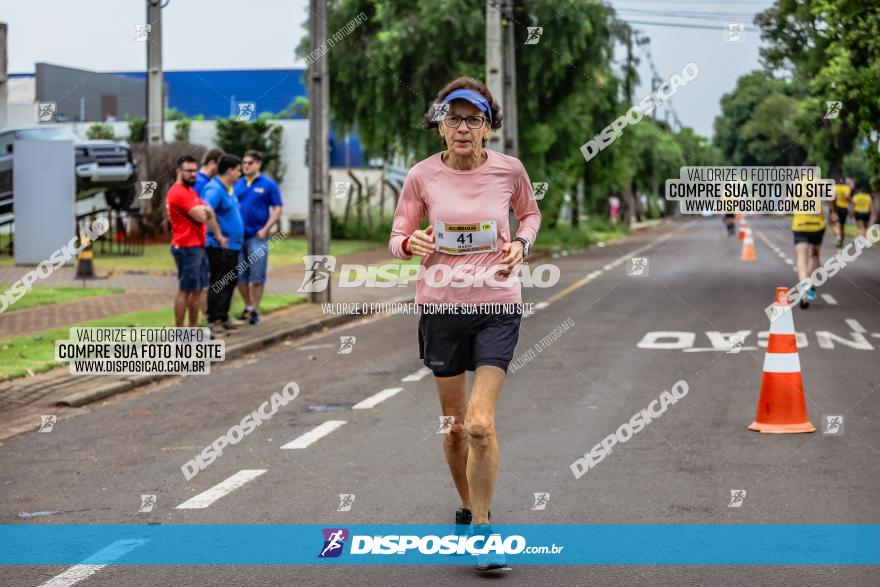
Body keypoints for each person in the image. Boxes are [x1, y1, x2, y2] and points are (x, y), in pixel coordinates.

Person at [389, 77, 541, 573]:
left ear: (488, 128)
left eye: (473, 119)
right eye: (452, 118)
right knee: (454, 428)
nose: (462, 128)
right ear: (438, 127)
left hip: (498, 305)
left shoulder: (509, 171)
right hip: (440, 308)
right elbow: (398, 234)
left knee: (479, 422)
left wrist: (522, 244)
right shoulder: (421, 177)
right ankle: (469, 508)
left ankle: (482, 529)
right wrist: (411, 245)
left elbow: (531, 214)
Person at [165, 155, 223, 327]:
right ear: (178, 171)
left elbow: (208, 211)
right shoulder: (178, 192)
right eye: (188, 171)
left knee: (198, 290)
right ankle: (180, 331)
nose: (193, 175)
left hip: (197, 246)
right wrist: (205, 211)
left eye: (195, 171)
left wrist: (206, 211)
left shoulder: (190, 191)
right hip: (186, 247)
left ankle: (192, 329)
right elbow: (202, 215)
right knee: (186, 289)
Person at [235, 150, 283, 325]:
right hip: (238, 238)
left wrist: (266, 228)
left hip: (258, 236)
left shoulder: (268, 184)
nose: (245, 166)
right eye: (244, 163)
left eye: (249, 163)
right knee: (240, 276)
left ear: (258, 164)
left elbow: (278, 208)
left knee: (257, 275)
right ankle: (248, 307)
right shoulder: (237, 183)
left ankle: (255, 309)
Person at [202, 154, 244, 336]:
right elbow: (206, 210)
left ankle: (223, 316)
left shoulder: (228, 189)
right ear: (229, 170)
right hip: (219, 246)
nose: (240, 174)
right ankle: (214, 319)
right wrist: (218, 234)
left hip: (232, 246)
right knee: (219, 281)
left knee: (230, 281)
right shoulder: (214, 189)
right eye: (238, 170)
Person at [791, 167, 828, 309]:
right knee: (815, 255)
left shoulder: (796, 184)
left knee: (801, 259)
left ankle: (805, 288)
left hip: (800, 227)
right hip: (818, 227)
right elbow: (832, 200)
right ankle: (811, 286)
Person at [831, 177, 851, 248]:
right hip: (844, 209)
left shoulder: (835, 187)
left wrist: (833, 210)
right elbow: (847, 197)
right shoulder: (846, 188)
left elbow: (832, 198)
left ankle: (838, 236)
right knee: (842, 227)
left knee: (836, 224)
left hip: (836, 208)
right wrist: (850, 200)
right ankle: (841, 243)